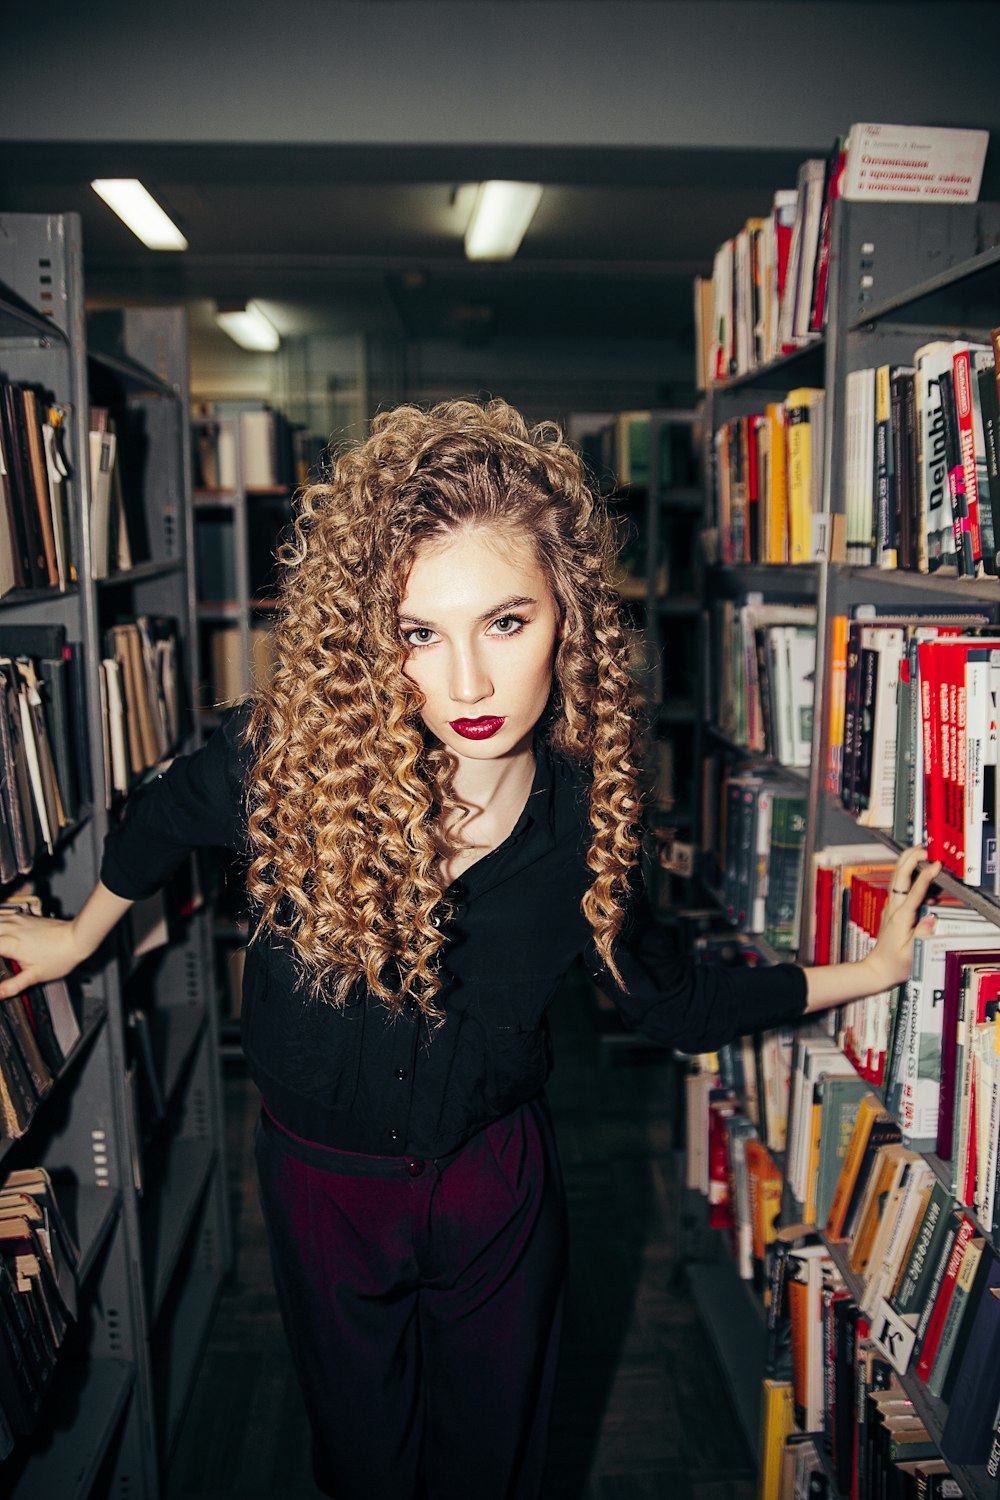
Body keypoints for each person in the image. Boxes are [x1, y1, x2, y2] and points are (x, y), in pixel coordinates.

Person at [0, 399, 939, 1500]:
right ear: (366, 641)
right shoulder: (285, 767)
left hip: (497, 1183)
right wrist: (74, 936)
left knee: (494, 1462)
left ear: (568, 621)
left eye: (505, 622)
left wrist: (867, 974)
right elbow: (160, 821)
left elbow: (670, 1005)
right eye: (416, 634)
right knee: (359, 1458)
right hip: (320, 1186)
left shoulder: (589, 820)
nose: (469, 687)